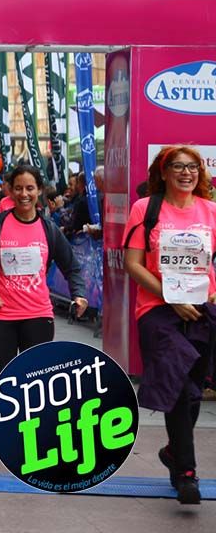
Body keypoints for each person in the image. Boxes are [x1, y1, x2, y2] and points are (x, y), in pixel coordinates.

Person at [123, 146, 216, 505]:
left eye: (192, 167)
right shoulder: (145, 209)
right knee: (177, 385)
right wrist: (171, 296)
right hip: (158, 310)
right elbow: (133, 263)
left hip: (202, 310)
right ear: (163, 173)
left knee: (192, 390)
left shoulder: (210, 210)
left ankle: (174, 452)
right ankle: (187, 473)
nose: (186, 173)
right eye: (177, 166)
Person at [0, 166, 86, 391]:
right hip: (0, 316)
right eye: (18, 188)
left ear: (39, 190)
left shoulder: (49, 229)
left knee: (34, 384)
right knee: (5, 383)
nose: (24, 194)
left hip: (38, 316)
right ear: (10, 191)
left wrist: (79, 294)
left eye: (30, 188)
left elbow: (72, 267)